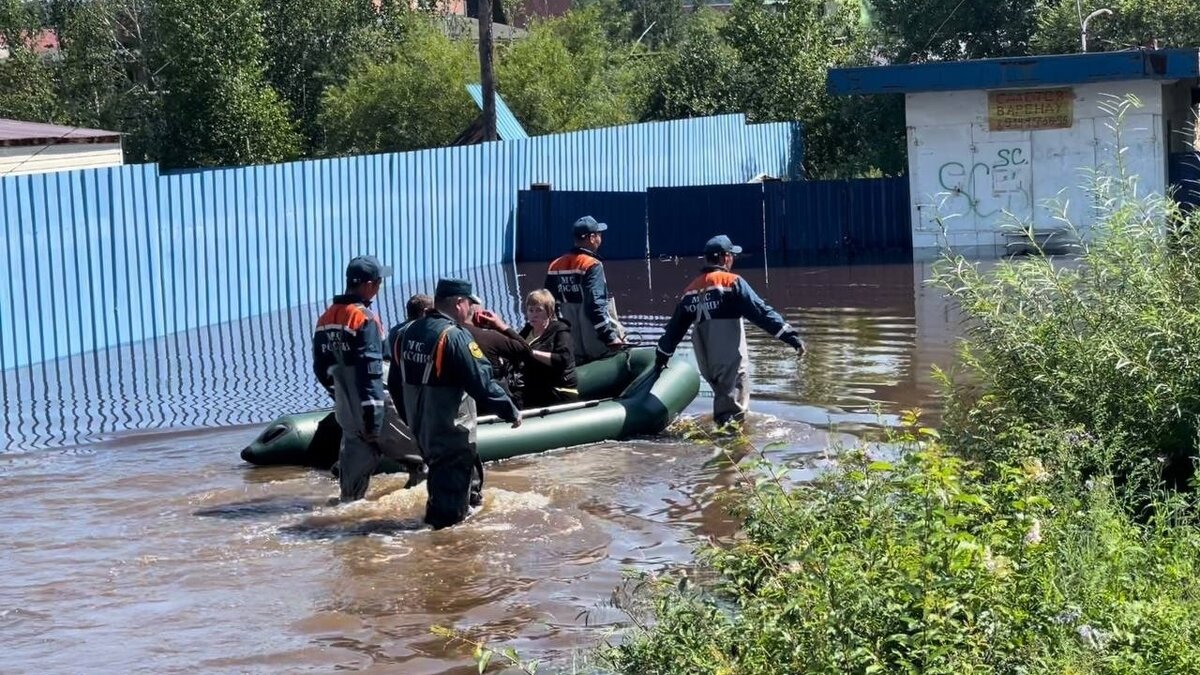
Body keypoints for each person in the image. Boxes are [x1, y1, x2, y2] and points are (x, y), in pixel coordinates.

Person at [389, 278, 522, 529]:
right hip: (451, 434)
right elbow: (481, 382)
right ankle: (443, 547)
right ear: (459, 303)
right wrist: (510, 410)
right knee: (448, 520)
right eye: (469, 304)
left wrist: (412, 421)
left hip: (422, 430)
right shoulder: (454, 336)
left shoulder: (403, 334)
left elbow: (395, 385)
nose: (471, 310)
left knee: (458, 490)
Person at [654, 235, 805, 427]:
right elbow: (761, 313)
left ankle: (720, 434)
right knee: (734, 415)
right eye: (731, 255)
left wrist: (661, 358)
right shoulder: (731, 282)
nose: (732, 259)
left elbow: (673, 332)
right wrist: (792, 338)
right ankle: (730, 442)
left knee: (723, 403)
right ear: (725, 257)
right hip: (731, 361)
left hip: (707, 364)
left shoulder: (690, 291)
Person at [313, 256, 422, 503]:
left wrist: (340, 395)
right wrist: (374, 417)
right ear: (368, 285)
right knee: (423, 460)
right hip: (376, 406)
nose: (380, 287)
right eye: (379, 282)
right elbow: (371, 369)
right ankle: (416, 516)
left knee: (350, 495)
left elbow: (320, 368)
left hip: (346, 410)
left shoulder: (325, 318)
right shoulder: (364, 318)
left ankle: (347, 522)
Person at [544, 215, 625, 365]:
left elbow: (548, 306)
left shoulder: (555, 265)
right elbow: (595, 305)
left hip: (572, 343)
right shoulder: (592, 265)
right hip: (596, 343)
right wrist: (610, 336)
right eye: (599, 234)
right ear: (592, 238)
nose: (600, 237)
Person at [516, 289, 578, 409]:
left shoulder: (560, 330)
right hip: (533, 386)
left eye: (538, 310)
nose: (533, 314)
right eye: (530, 310)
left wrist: (532, 353)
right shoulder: (527, 331)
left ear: (549, 312)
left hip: (557, 390)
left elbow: (562, 359)